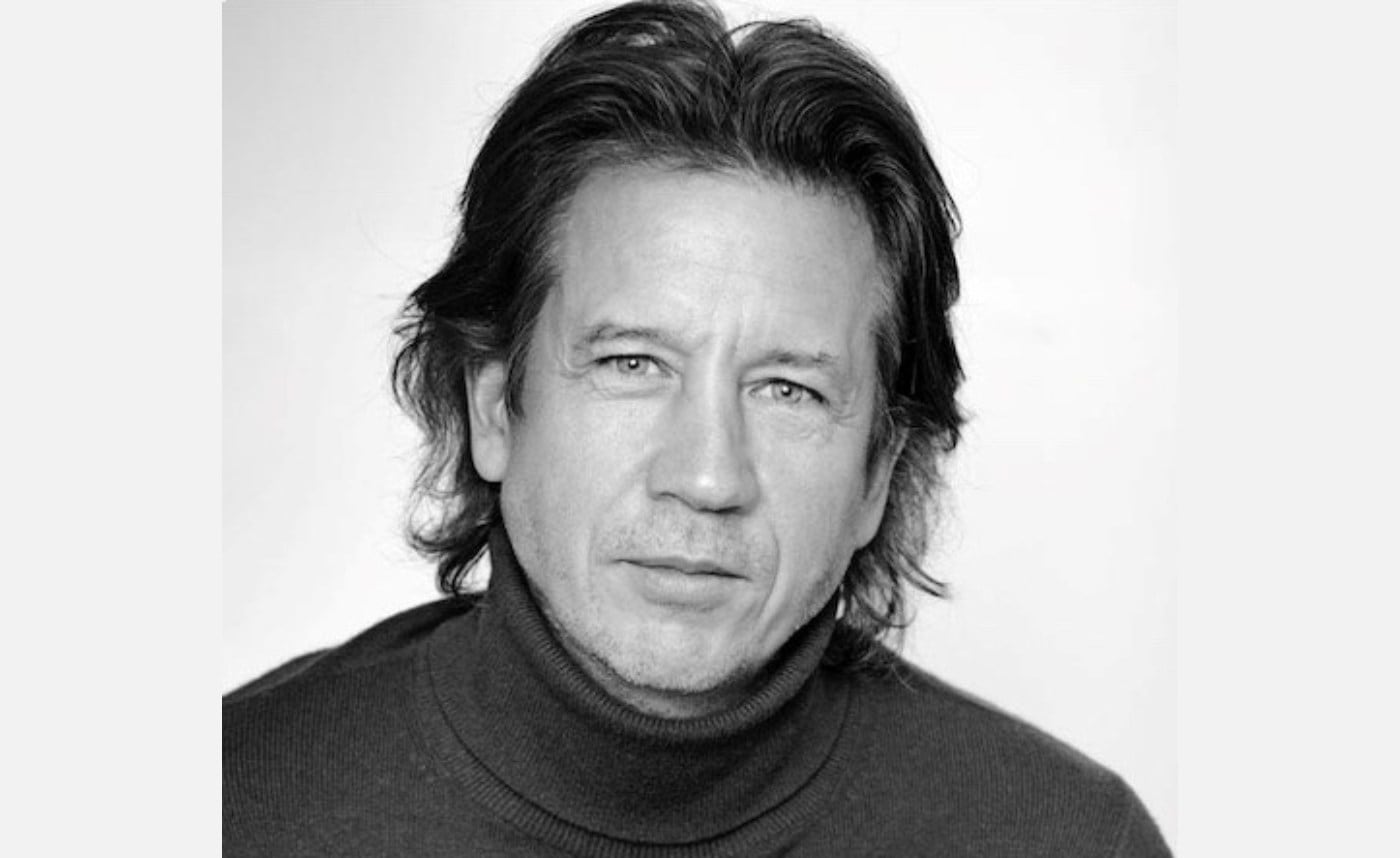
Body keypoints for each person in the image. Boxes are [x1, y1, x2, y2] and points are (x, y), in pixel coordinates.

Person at [223, 1, 1171, 854]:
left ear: (878, 471)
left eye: (789, 390)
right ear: (492, 410)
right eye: (632, 364)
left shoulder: (1072, 841)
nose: (709, 477)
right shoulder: (227, 807)